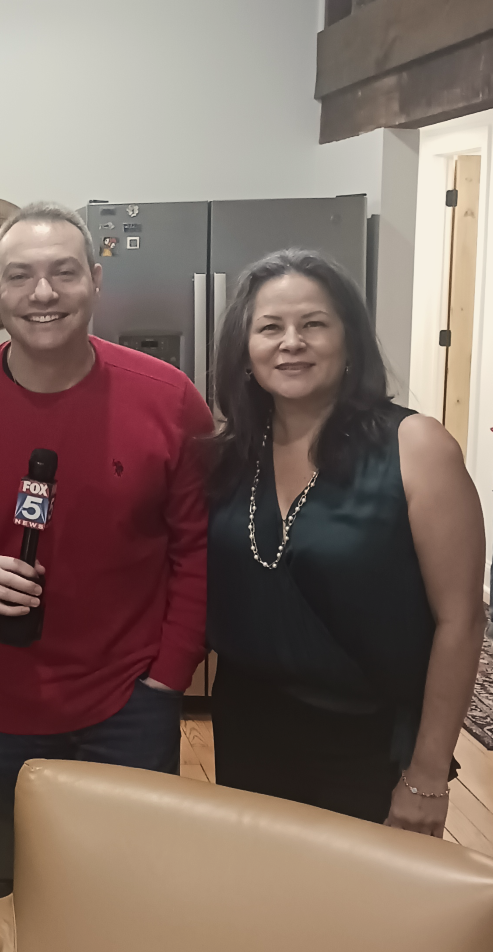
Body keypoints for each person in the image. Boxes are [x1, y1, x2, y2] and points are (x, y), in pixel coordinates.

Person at [0, 202, 214, 802]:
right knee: (30, 859)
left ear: (95, 280)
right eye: (19, 275)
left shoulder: (171, 401)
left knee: (133, 860)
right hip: (9, 703)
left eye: (64, 272)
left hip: (134, 704)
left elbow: (197, 551)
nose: (42, 293)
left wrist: (169, 677)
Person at [206, 249, 485, 834]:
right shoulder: (230, 455)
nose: (292, 343)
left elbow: (460, 620)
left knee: (362, 894)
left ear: (350, 340)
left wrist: (428, 772)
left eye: (314, 324)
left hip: (365, 742)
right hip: (244, 727)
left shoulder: (416, 447)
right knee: (258, 886)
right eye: (270, 328)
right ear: (245, 350)